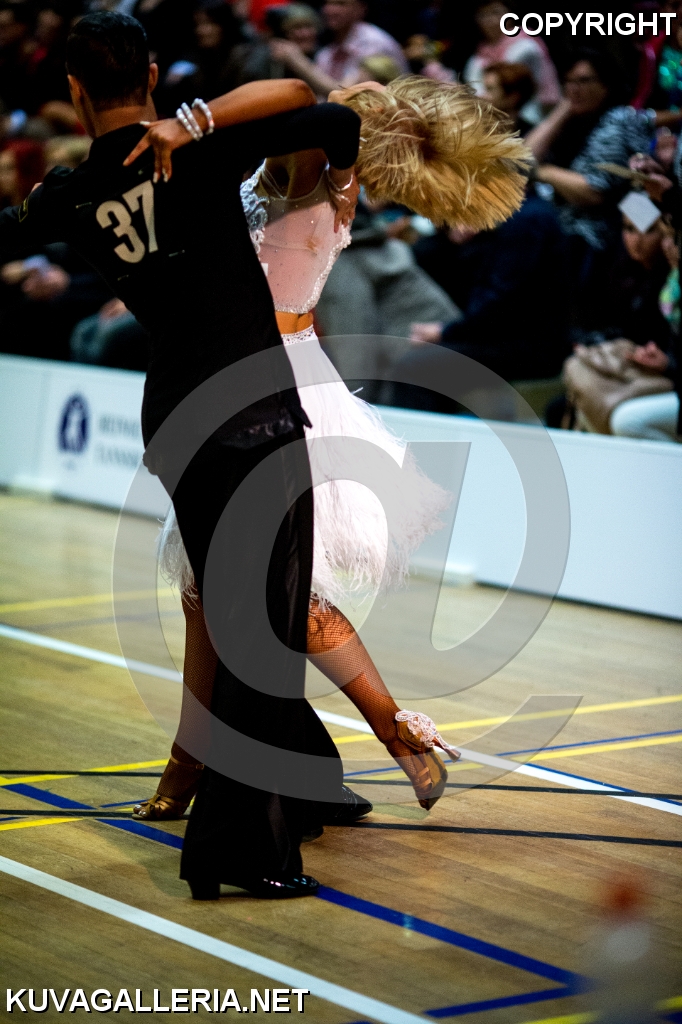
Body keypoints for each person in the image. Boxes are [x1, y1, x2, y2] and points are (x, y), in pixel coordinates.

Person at [0, 11, 364, 900]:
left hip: (175, 418)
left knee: (247, 622)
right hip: (252, 414)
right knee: (259, 632)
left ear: (74, 91)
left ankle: (300, 790)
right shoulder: (195, 150)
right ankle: (238, 852)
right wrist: (197, 123)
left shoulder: (72, 190)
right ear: (155, 76)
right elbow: (327, 113)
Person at [129, 77, 529, 834]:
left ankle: (397, 732)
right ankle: (191, 756)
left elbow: (312, 108)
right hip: (228, 378)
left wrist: (200, 120)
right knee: (203, 589)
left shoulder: (318, 172)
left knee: (287, 599)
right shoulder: (272, 168)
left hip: (284, 390)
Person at [463, 0, 560, 126]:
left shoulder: (525, 46)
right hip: (492, 115)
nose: (490, 20)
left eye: (495, 13)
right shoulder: (480, 53)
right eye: (483, 15)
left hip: (530, 117)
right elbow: (474, 89)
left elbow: (504, 86)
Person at [314, 0, 408, 87]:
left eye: (341, 3)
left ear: (361, 9)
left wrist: (303, 63)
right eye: (327, 3)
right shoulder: (326, 52)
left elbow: (345, 92)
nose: (330, 10)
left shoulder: (374, 42)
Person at [481, 61, 536, 135]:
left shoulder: (532, 135)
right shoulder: (474, 130)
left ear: (513, 97)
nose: (482, 96)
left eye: (490, 89)